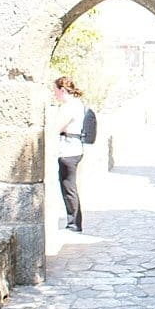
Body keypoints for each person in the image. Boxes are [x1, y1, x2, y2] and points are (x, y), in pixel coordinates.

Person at [53, 75, 87, 232]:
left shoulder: (68, 107)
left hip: (68, 150)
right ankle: (74, 221)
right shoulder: (78, 104)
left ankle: (73, 223)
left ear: (62, 90)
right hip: (75, 148)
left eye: (55, 91)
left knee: (68, 187)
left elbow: (57, 127)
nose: (54, 94)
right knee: (70, 186)